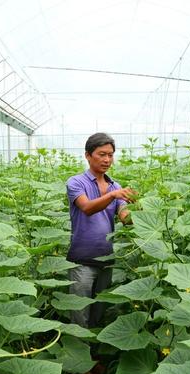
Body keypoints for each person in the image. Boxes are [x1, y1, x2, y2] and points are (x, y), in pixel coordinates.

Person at [65, 132, 136, 328]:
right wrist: (113, 196)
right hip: (81, 260)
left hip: (106, 259)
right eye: (101, 154)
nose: (107, 160)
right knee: (79, 316)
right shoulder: (76, 182)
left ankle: (95, 355)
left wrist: (141, 211)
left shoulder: (115, 186)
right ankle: (79, 355)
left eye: (110, 155)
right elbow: (87, 207)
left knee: (99, 313)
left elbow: (125, 218)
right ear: (88, 155)